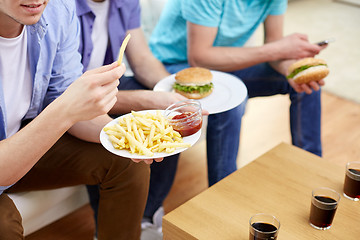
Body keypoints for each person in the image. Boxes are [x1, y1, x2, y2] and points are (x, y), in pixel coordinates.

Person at [75, 0, 244, 239]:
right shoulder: (62, 8)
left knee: (170, 121)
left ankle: (149, 213)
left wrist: (171, 96)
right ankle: (106, 226)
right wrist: (147, 101)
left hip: (108, 88)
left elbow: (142, 60)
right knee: (117, 138)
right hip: (72, 97)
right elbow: (70, 96)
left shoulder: (124, 2)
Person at [0, 1, 160, 239]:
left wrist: (127, 135)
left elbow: (64, 96)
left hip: (23, 138)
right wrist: (67, 108)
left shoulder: (57, 11)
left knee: (126, 157)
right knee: (4, 225)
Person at [149, 0, 327, 157]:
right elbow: (199, 57)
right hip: (175, 66)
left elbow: (273, 45)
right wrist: (279, 49)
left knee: (305, 84)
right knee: (232, 104)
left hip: (224, 64)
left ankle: (309, 164)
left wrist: (290, 68)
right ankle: (223, 186)